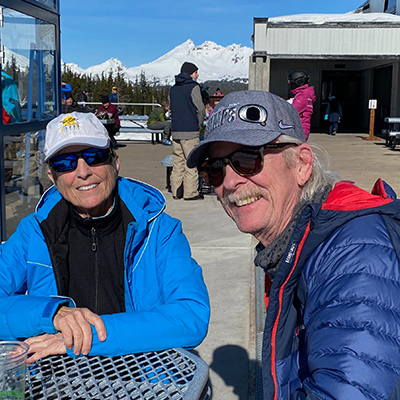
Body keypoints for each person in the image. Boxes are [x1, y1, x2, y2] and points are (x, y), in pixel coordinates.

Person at [187, 90, 400, 399]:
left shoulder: (353, 255)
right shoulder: (298, 244)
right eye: (215, 170)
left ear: (301, 164)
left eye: (247, 159)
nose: (229, 182)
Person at [0, 111, 210, 364]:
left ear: (115, 163)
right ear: (52, 178)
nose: (83, 172)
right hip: (53, 375)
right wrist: (51, 314)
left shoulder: (159, 230)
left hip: (141, 376)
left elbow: (190, 316)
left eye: (94, 157)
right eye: (65, 163)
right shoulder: (33, 232)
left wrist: (82, 335)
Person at [169, 61, 205, 201]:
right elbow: (200, 109)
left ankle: (176, 191)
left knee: (178, 162)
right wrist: (199, 124)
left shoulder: (173, 88)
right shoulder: (193, 87)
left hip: (176, 130)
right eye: (196, 72)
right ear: (191, 73)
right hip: (190, 130)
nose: (197, 75)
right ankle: (191, 193)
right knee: (191, 162)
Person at [287, 69, 316, 140]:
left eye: (291, 82)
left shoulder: (303, 96)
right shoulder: (302, 95)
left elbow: (290, 111)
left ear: (298, 82)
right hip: (299, 129)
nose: (290, 85)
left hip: (299, 131)